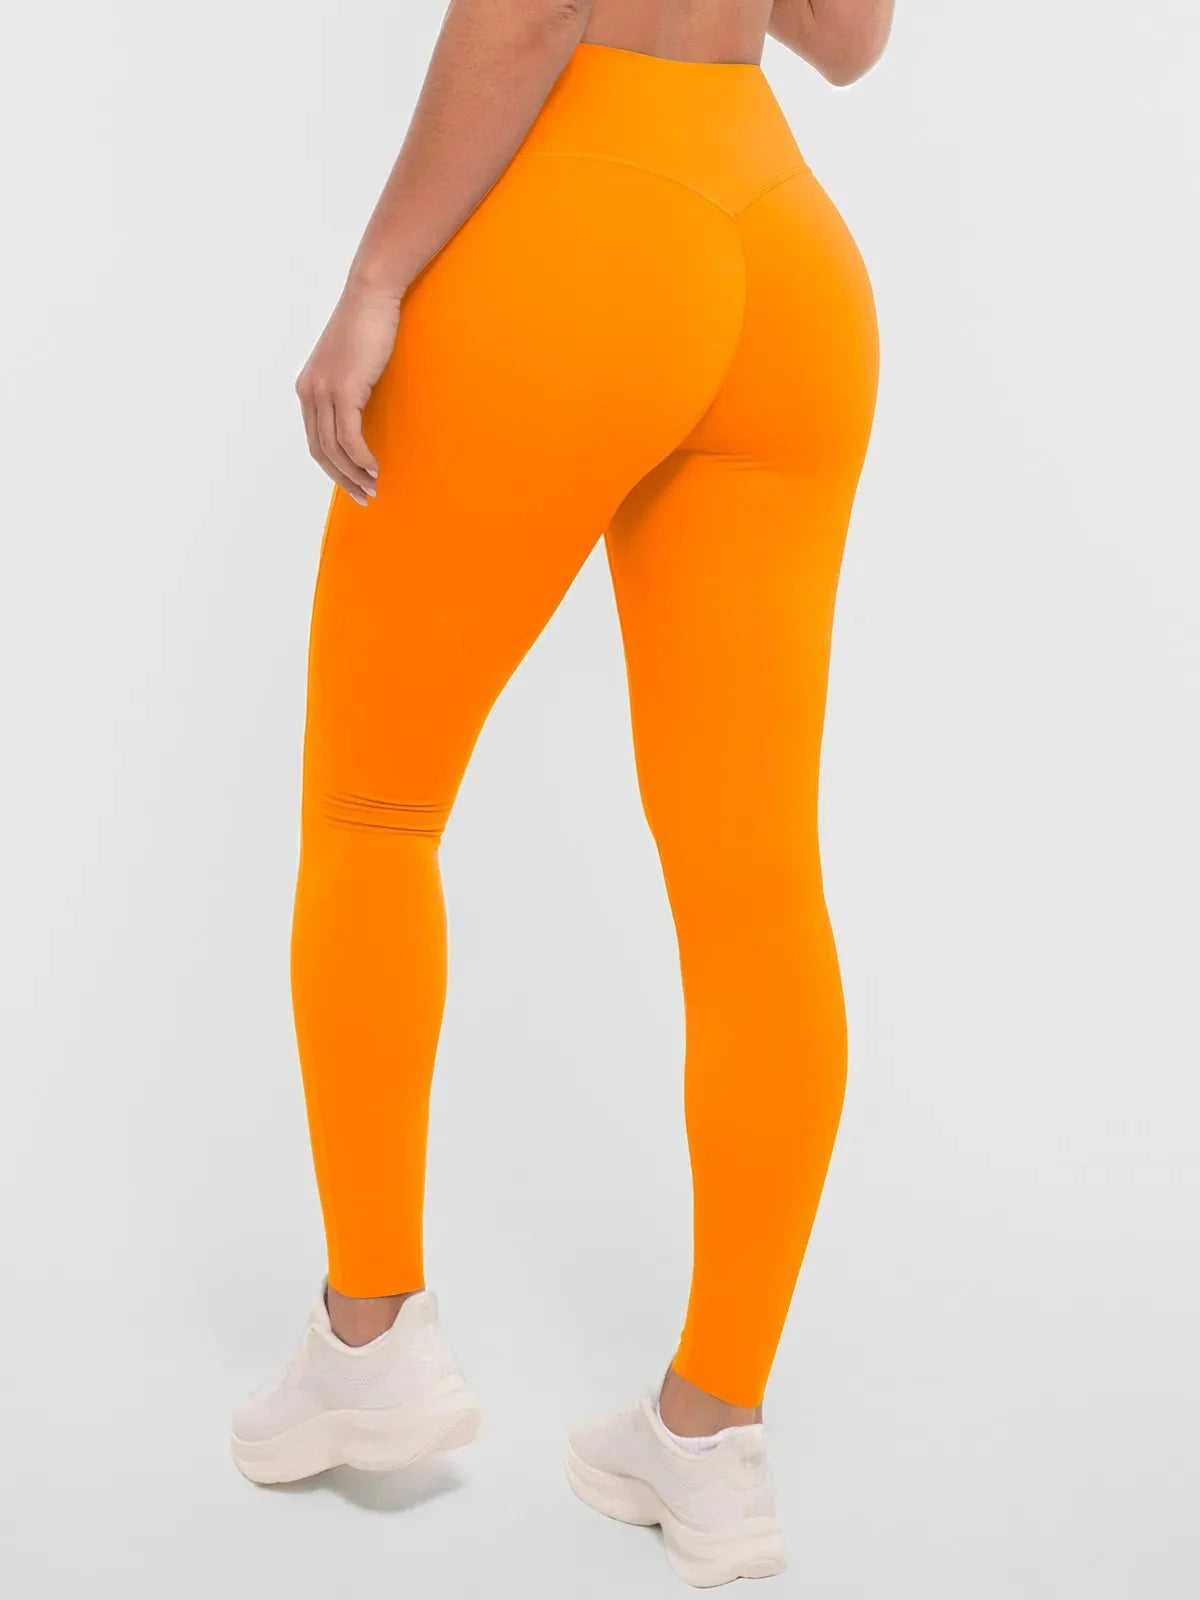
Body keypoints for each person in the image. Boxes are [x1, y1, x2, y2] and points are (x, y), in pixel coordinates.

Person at [231, 0, 891, 1584]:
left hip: (589, 223)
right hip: (787, 255)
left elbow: (527, 12)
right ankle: (710, 1436)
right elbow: (850, 37)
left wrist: (374, 279)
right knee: (755, 880)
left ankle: (368, 1344)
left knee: (376, 809)